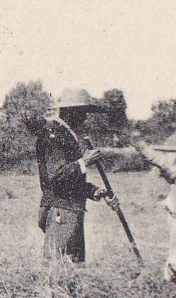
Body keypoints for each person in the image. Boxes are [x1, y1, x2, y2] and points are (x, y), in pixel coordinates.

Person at [34, 87, 117, 263]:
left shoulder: (65, 135)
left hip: (71, 210)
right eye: (82, 112)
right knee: (58, 266)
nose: (85, 118)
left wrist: (94, 191)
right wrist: (84, 162)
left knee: (74, 267)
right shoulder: (53, 135)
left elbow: (70, 181)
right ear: (70, 112)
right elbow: (56, 179)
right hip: (62, 211)